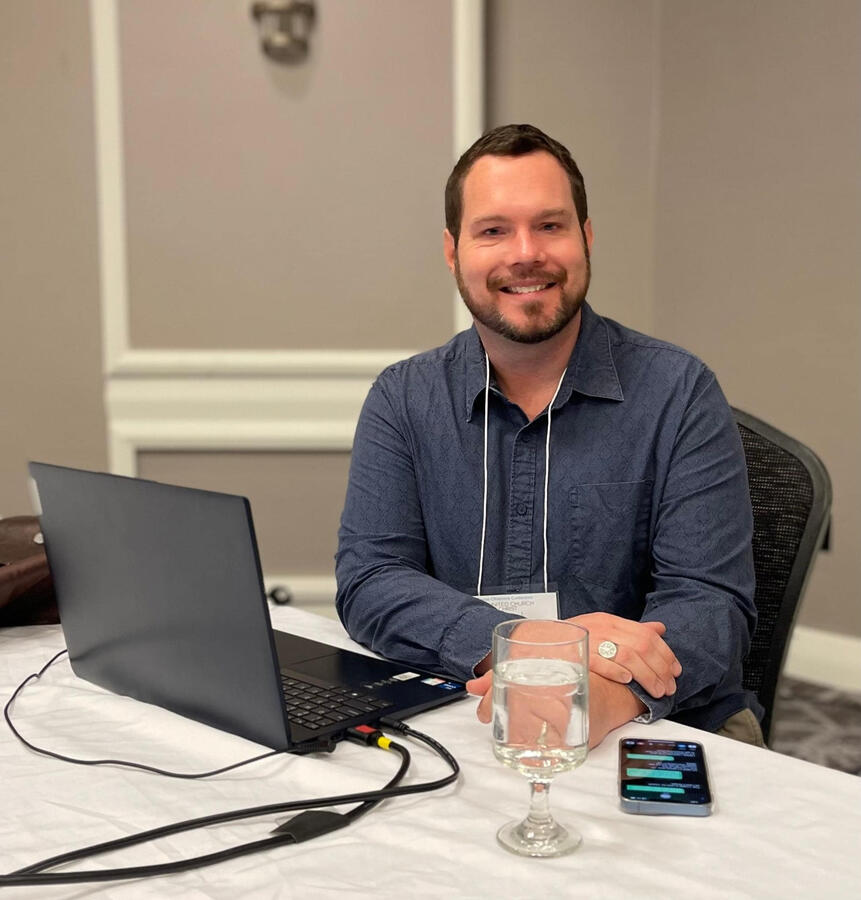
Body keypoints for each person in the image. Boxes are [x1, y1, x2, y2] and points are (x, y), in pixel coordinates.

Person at [335, 124, 764, 748]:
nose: (525, 253)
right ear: (453, 252)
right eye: (494, 230)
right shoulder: (403, 399)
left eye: (551, 226)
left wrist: (597, 695)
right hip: (469, 710)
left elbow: (710, 602)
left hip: (662, 720)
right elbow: (373, 579)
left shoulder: (679, 391)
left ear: (585, 238)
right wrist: (515, 641)